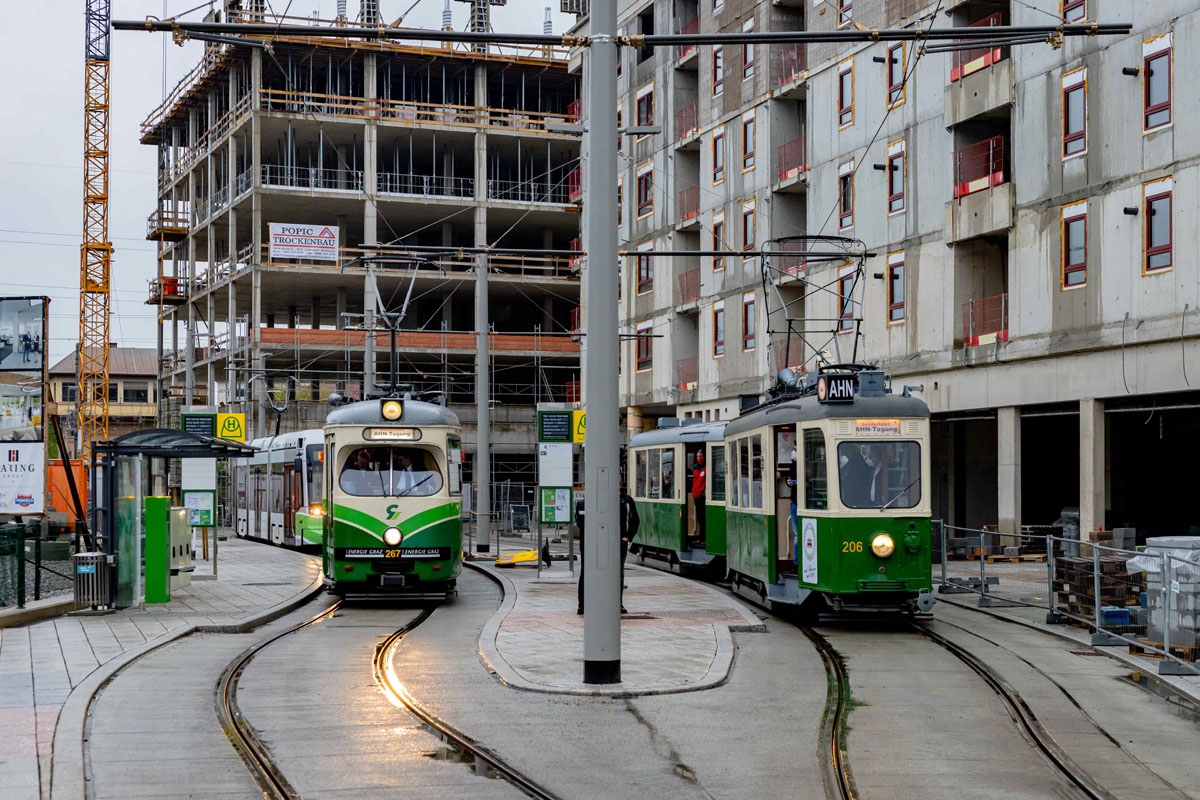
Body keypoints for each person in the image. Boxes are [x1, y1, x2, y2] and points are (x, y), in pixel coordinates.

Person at [576, 488, 640, 615]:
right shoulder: (583, 503)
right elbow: (580, 522)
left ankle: (616, 603)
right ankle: (583, 604)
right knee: (586, 572)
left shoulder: (626, 500)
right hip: (589, 543)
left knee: (617, 573)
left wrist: (627, 537)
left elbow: (635, 520)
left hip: (617, 541)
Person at [690, 452, 706, 547]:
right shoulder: (696, 468)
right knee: (700, 519)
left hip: (701, 496)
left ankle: (703, 538)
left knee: (703, 518)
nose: (700, 458)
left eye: (701, 456)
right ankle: (701, 538)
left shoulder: (705, 468)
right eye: (698, 456)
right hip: (696, 496)